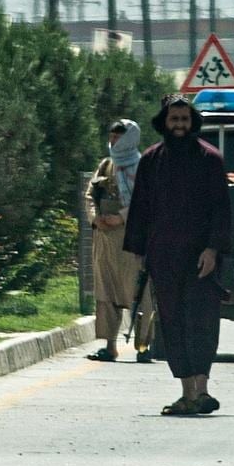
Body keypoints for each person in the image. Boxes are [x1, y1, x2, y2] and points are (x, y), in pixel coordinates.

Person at [123, 94, 231, 416]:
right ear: (165, 123)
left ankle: (202, 389)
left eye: (185, 120)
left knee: (202, 321)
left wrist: (213, 249)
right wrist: (140, 253)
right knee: (172, 322)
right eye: (175, 120)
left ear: (192, 122)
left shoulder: (210, 159)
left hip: (201, 259)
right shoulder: (151, 160)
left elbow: (221, 210)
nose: (180, 126)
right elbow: (141, 209)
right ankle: (186, 393)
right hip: (164, 257)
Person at [84, 119, 155, 363]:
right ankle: (109, 345)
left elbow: (147, 202)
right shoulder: (106, 165)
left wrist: (121, 218)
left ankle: (143, 346)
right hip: (105, 240)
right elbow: (90, 195)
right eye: (112, 137)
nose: (113, 141)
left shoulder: (143, 166)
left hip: (132, 239)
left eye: (119, 138)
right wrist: (96, 219)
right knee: (106, 292)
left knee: (138, 291)